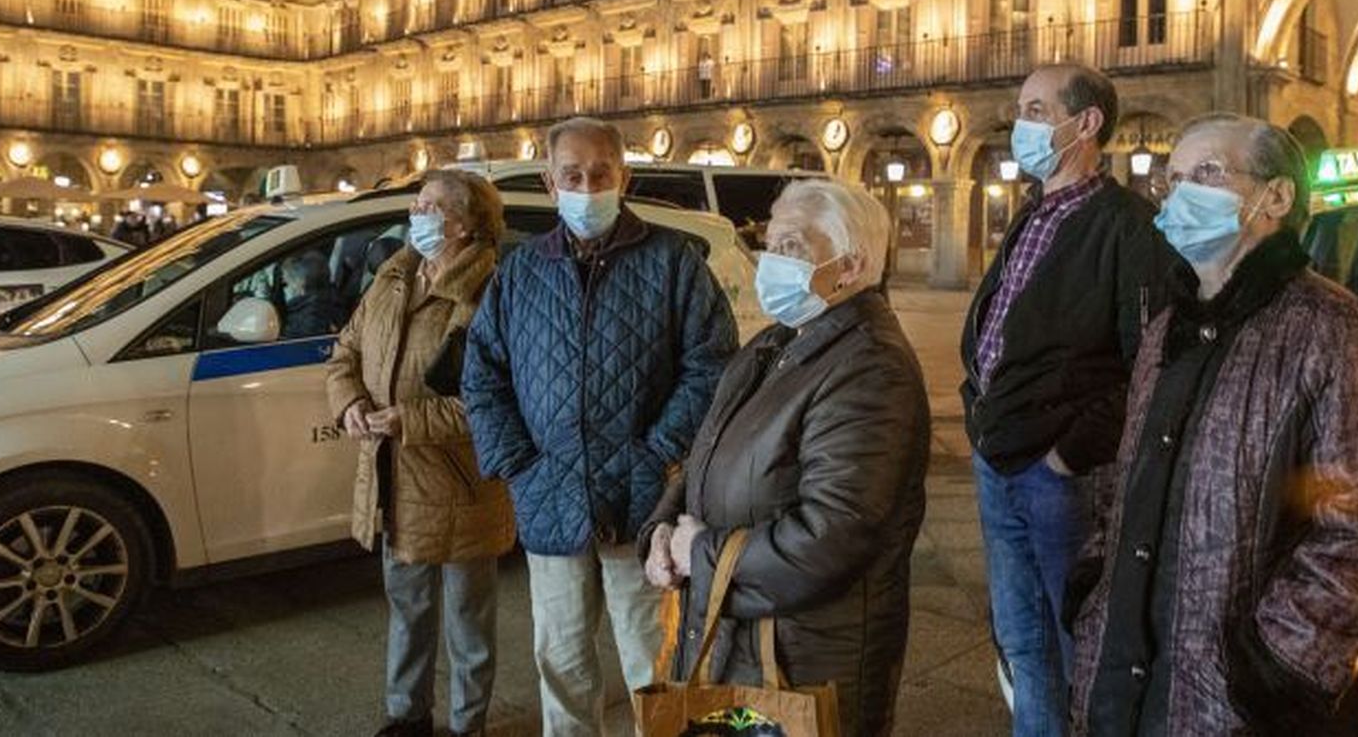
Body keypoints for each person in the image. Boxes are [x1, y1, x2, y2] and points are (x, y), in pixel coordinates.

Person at [1067, 115, 1358, 735]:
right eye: (1172, 178)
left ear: (1276, 196)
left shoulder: (1333, 330)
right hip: (1136, 688)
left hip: (1245, 707)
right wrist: (1098, 584)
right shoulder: (1166, 332)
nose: (1181, 193)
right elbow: (1130, 478)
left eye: (1206, 173)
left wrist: (1276, 666)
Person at [463, 116, 738, 737]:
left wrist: (658, 452)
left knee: (653, 661)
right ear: (550, 182)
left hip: (643, 502)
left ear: (625, 177)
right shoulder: (521, 272)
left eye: (600, 174)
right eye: (572, 175)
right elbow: (483, 376)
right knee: (559, 660)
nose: (587, 187)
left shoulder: (674, 262)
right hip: (549, 497)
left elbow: (711, 366)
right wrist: (519, 467)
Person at [640, 180, 930, 737]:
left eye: (792, 246)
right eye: (770, 244)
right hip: (737, 639)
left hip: (806, 659)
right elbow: (708, 451)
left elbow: (831, 535)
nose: (771, 261)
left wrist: (699, 551)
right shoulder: (775, 344)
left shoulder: (870, 368)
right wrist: (662, 529)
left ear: (850, 265)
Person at [961, 63, 1180, 736]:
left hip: (1060, 475)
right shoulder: (1032, 214)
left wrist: (1068, 452)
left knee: (1073, 639)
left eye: (1035, 108)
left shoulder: (1128, 227)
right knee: (1021, 641)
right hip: (998, 459)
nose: (1020, 123)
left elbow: (1148, 359)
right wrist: (977, 406)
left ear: (1085, 123)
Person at [326, 170, 516, 737]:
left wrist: (409, 418)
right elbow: (345, 352)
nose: (416, 211)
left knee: (468, 621)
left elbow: (499, 401)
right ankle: (406, 715)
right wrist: (351, 402)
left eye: (429, 204)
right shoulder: (395, 274)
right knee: (407, 611)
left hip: (461, 487)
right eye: (418, 201)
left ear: (461, 224)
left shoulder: (489, 292)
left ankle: (467, 724)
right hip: (394, 478)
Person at [280, 249, 338, 337]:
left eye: (287, 283)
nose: (284, 289)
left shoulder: (306, 321)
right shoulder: (331, 303)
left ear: (300, 283)